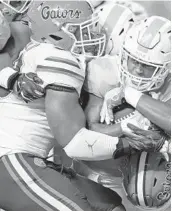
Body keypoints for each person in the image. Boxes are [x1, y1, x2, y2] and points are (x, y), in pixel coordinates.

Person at [0, 1, 127, 211]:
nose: (92, 35)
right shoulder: (60, 58)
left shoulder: (38, 50)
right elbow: (76, 144)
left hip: (27, 157)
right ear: (56, 33)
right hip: (10, 160)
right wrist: (131, 141)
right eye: (80, 29)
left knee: (110, 205)